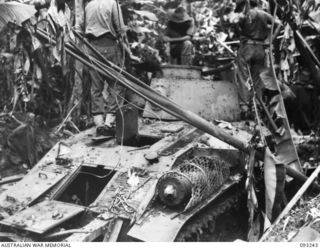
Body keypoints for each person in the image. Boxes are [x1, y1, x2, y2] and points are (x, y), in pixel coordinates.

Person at [84, 0, 139, 135]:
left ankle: (98, 122)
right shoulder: (113, 3)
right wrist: (128, 31)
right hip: (109, 46)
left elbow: (81, 27)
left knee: (96, 86)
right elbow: (120, 29)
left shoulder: (89, 5)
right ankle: (109, 122)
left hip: (92, 48)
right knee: (117, 84)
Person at [233, 0, 275, 118]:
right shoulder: (264, 14)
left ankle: (244, 107)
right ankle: (256, 105)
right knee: (257, 79)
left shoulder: (245, 14)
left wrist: (239, 28)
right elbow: (279, 24)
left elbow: (237, 25)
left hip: (247, 47)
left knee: (243, 77)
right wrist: (269, 38)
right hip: (260, 48)